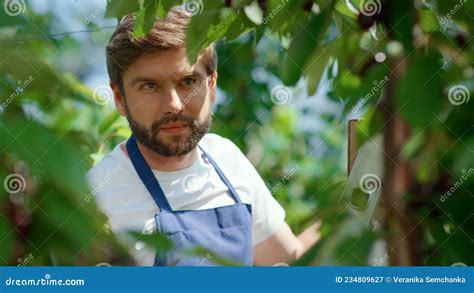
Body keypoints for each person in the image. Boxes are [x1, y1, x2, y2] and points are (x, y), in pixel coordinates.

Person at [87, 7, 320, 266]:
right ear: (119, 98)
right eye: (150, 86)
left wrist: (347, 222)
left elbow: (289, 262)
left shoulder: (227, 160)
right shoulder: (95, 195)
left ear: (211, 87)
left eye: (188, 81)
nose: (174, 105)